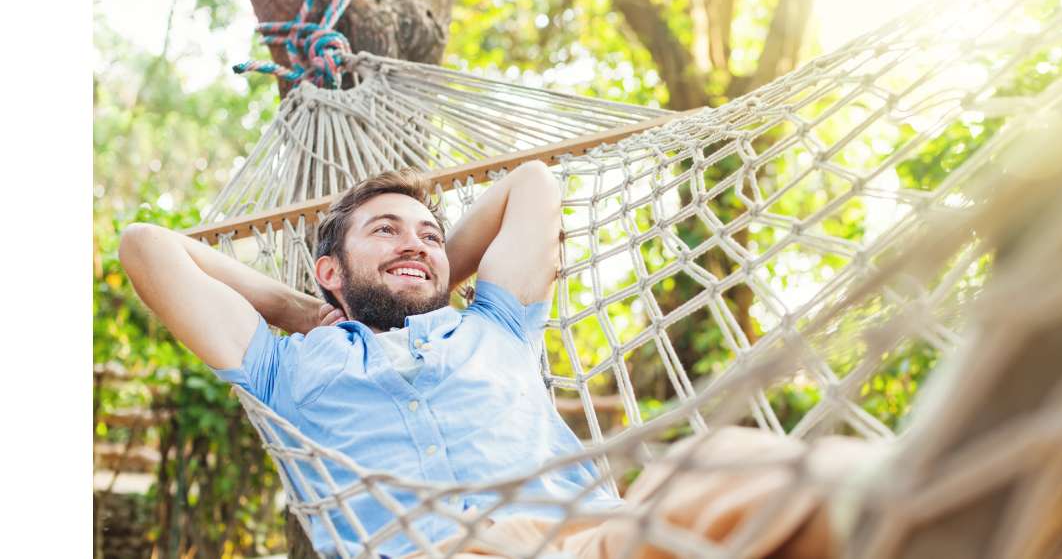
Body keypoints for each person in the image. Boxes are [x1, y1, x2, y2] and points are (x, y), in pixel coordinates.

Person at [120, 162, 860, 558]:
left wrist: (423, 269)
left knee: (734, 465)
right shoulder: (284, 367)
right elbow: (147, 246)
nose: (415, 241)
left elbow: (532, 184)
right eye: (386, 230)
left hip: (585, 541)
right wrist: (298, 309)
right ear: (328, 270)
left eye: (431, 234)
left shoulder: (496, 323)